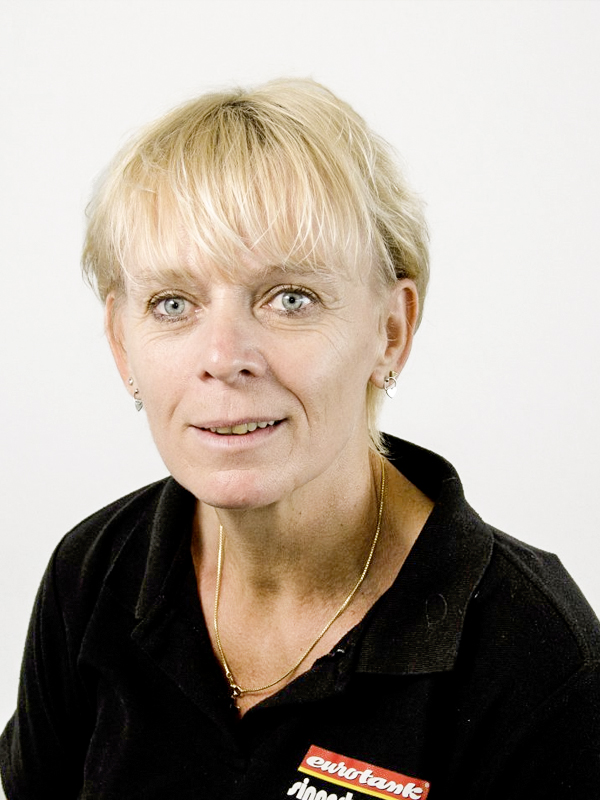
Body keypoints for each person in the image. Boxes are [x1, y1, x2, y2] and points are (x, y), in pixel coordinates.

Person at [1, 78, 599, 800]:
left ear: (391, 330)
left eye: (290, 298)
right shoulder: (93, 574)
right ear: (122, 345)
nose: (224, 356)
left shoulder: (535, 652)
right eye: (173, 303)